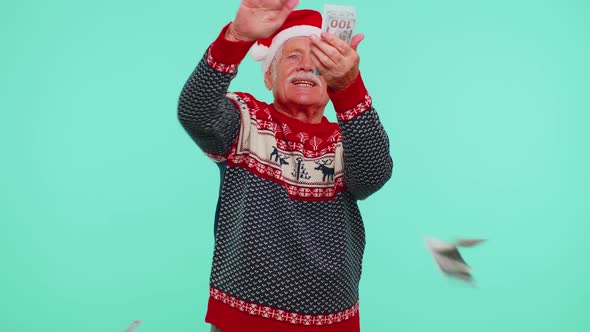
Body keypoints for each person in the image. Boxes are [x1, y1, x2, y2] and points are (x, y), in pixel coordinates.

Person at [177, 0, 393, 331]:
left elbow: (373, 174)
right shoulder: (245, 121)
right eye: (293, 56)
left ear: (331, 83)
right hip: (241, 321)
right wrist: (236, 36)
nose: (306, 66)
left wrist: (350, 88)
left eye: (319, 59)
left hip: (330, 320)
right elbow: (196, 111)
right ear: (269, 75)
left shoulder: (344, 141)